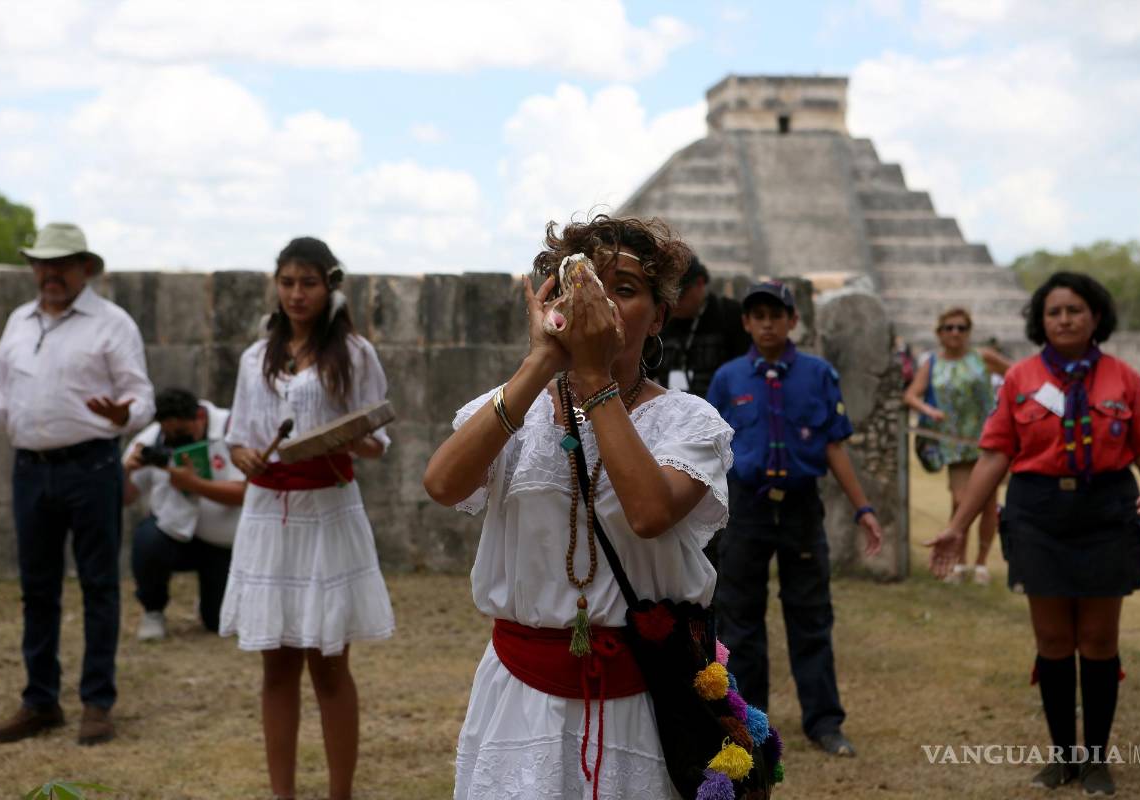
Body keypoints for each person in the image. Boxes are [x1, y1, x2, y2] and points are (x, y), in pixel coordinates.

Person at [425, 215, 732, 799]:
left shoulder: (691, 422)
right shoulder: (513, 410)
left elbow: (648, 513)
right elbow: (442, 483)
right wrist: (542, 360)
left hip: (638, 699)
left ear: (659, 315)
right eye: (585, 284)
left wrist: (594, 377)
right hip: (520, 695)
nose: (602, 303)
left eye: (623, 288)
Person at [926, 272, 1140, 795]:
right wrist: (956, 526)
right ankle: (1062, 756)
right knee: (1053, 640)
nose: (1064, 319)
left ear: (1096, 317)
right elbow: (996, 455)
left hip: (1106, 514)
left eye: (1075, 310)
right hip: (1038, 515)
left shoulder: (1124, 379)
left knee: (1098, 640)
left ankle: (1096, 761)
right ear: (1040, 321)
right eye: (1053, 312)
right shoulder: (1020, 378)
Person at [220, 237, 395, 800]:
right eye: (288, 282)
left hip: (327, 512)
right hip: (269, 516)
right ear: (276, 284)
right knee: (276, 666)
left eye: (309, 283)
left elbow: (376, 438)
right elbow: (240, 436)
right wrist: (244, 454)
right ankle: (282, 795)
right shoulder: (255, 357)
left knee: (328, 663)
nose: (297, 294)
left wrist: (354, 440)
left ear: (330, 286)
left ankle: (339, 794)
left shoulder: (355, 354)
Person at [0, 223, 154, 746]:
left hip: (92, 467)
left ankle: (97, 703)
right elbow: (0, 398)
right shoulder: (19, 321)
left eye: (60, 263)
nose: (49, 273)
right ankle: (40, 701)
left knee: (99, 585)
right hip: (30, 468)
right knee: (37, 588)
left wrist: (125, 414)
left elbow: (140, 398)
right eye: (41, 263)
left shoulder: (112, 324)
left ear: (85, 267)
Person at [706, 281, 882, 758]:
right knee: (741, 619)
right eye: (757, 314)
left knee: (810, 615)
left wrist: (864, 509)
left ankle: (824, 722)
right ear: (745, 322)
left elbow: (834, 445)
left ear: (792, 321)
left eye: (776, 314)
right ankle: (748, 721)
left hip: (802, 506)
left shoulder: (819, 374)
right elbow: (711, 452)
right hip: (747, 507)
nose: (767, 323)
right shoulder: (727, 379)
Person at [122, 388, 245, 640]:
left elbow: (247, 493)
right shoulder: (150, 440)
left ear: (200, 417)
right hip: (175, 535)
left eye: (181, 433)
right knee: (148, 540)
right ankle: (153, 610)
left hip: (224, 545)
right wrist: (125, 473)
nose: (174, 441)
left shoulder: (234, 429)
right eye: (168, 435)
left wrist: (194, 485)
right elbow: (126, 498)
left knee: (218, 623)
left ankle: (212, 601)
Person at [903, 308, 1011, 584]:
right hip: (954, 444)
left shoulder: (982, 358)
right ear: (939, 333)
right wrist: (929, 410)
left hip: (988, 441)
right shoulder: (932, 363)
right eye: (949, 327)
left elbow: (1018, 376)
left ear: (969, 331)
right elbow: (911, 395)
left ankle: (981, 564)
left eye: (961, 328)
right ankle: (960, 562)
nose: (955, 333)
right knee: (960, 501)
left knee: (988, 504)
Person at [652, 254, 750, 397]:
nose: (673, 303)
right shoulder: (660, 320)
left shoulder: (730, 315)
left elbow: (743, 371)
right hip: (670, 409)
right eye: (667, 296)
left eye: (679, 295)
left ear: (700, 283)